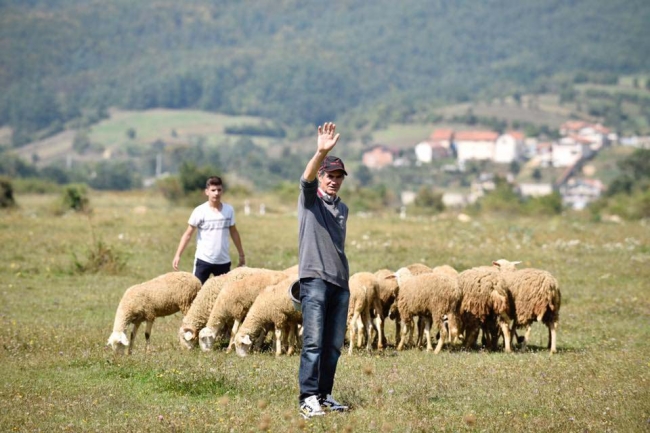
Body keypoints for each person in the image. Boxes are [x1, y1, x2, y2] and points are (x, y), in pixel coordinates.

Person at [297, 122, 350, 419]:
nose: (334, 181)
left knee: (332, 345)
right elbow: (305, 180)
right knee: (314, 342)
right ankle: (307, 398)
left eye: (338, 176)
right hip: (314, 279)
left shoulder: (343, 209)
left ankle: (324, 395)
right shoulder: (309, 201)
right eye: (330, 175)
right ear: (321, 176)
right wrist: (321, 151)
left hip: (340, 282)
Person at [172, 176, 245, 284]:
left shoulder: (229, 210)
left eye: (219, 190)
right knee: (196, 292)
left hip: (223, 261)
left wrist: (241, 254)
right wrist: (178, 255)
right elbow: (188, 234)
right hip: (203, 260)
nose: (216, 193)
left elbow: (234, 232)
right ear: (207, 192)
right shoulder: (199, 211)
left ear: (222, 191)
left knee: (223, 296)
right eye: (213, 190)